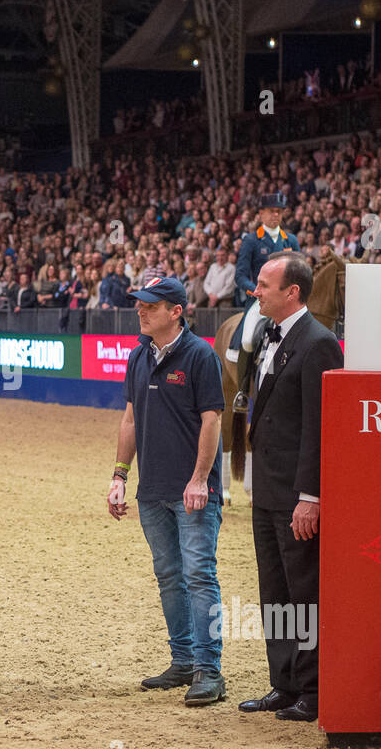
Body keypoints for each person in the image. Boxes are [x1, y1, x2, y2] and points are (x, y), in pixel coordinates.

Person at [108, 276, 226, 706]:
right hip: (151, 489)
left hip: (193, 490)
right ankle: (182, 660)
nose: (141, 311)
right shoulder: (138, 355)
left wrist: (200, 479)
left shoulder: (200, 355)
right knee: (170, 576)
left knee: (199, 575)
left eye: (151, 306)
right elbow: (130, 419)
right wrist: (120, 475)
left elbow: (212, 420)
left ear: (176, 311)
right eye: (140, 304)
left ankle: (209, 669)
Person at [238, 253, 343, 722]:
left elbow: (319, 429)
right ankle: (282, 682)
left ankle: (314, 688)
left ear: (292, 292)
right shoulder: (264, 333)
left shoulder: (320, 344)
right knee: (274, 592)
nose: (255, 291)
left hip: (296, 497)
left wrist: (310, 496)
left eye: (263, 285)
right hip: (266, 493)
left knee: (304, 592)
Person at [230, 193, 300, 392]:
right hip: (261, 301)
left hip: (288, 301)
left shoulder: (291, 240)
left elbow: (300, 272)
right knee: (247, 340)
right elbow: (241, 275)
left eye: (279, 211)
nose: (275, 215)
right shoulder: (252, 240)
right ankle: (243, 391)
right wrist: (257, 291)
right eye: (271, 211)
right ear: (261, 213)